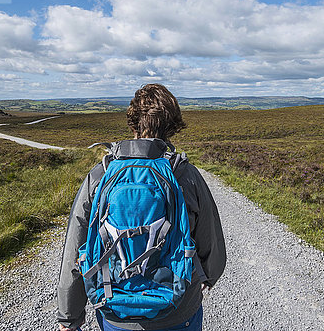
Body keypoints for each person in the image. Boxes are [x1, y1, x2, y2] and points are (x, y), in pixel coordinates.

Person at [56, 83, 226, 331]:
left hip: (115, 308)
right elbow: (210, 240)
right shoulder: (185, 175)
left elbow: (75, 248)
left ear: (133, 124)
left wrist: (69, 317)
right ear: (172, 126)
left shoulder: (101, 175)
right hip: (178, 309)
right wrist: (207, 276)